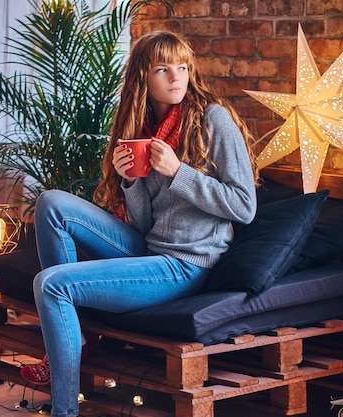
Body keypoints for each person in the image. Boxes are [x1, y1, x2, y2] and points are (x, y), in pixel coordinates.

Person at [21, 30, 259, 417]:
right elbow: (148, 222)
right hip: (151, 247)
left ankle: (64, 410)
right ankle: (73, 340)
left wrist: (179, 171)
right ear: (143, 78)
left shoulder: (213, 119)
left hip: (186, 264)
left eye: (182, 67)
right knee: (51, 204)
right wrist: (131, 181)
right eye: (163, 69)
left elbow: (245, 206)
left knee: (51, 286)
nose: (176, 77)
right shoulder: (146, 128)